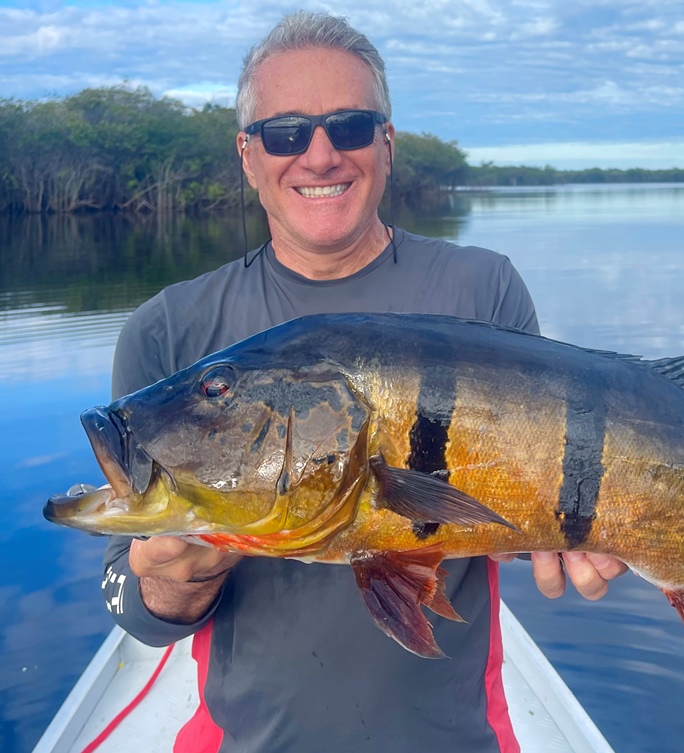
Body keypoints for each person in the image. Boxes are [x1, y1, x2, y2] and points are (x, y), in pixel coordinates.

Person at [101, 11, 627, 753]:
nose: (319, 156)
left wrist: (579, 531)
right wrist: (173, 578)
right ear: (248, 155)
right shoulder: (168, 331)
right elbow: (132, 607)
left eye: (348, 126)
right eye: (285, 133)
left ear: (387, 142)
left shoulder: (482, 289)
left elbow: (539, 482)